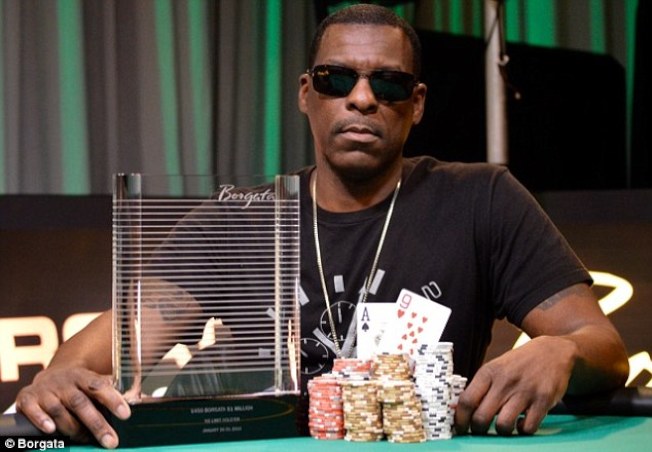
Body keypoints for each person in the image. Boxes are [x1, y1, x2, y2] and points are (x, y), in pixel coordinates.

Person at [15, 4, 629, 449]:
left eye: (387, 83)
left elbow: (602, 347)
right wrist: (58, 378)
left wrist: (563, 349)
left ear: (416, 103)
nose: (362, 99)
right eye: (338, 79)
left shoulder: (481, 199)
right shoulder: (238, 217)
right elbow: (102, 348)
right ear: (306, 93)